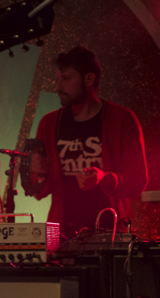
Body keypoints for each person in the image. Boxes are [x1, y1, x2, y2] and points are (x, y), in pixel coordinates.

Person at [27, 45, 147, 236]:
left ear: (89, 78)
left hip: (112, 235)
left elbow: (138, 182)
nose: (58, 87)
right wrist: (40, 175)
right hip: (58, 235)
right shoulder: (48, 123)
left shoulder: (122, 118)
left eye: (66, 79)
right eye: (58, 80)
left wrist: (104, 178)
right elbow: (38, 192)